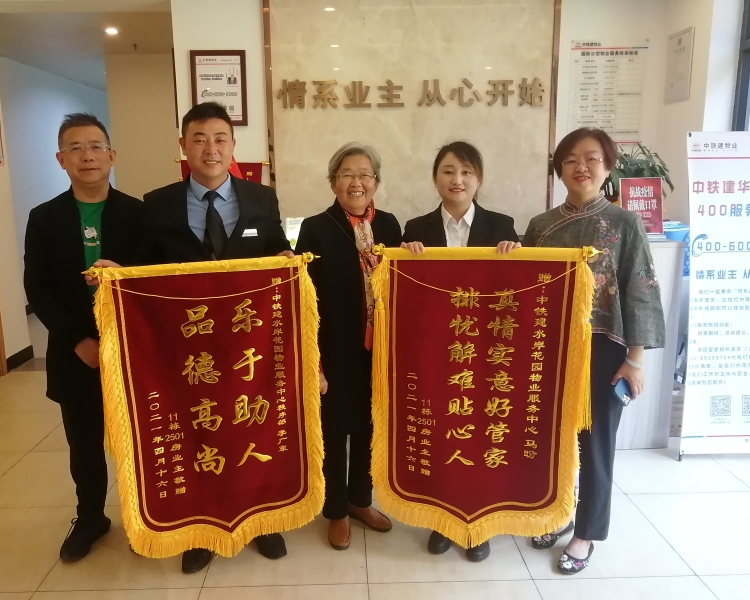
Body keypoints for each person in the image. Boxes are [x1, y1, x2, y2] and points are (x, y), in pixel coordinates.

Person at [91, 102, 293, 574]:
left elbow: (276, 250)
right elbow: (143, 267)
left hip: (246, 347)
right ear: (183, 146)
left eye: (220, 138)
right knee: (200, 432)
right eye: (199, 139)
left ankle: (261, 521)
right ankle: (203, 530)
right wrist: (119, 275)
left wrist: (288, 258)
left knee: (251, 427)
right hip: (188, 349)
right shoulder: (158, 202)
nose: (210, 148)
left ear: (233, 145)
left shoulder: (261, 199)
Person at [497, 127, 665, 574]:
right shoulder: (541, 225)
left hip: (604, 349)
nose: (581, 167)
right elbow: (523, 289)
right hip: (549, 348)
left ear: (608, 166)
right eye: (570, 159)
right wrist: (511, 255)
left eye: (591, 158)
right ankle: (557, 513)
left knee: (596, 444)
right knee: (552, 439)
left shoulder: (625, 224)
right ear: (560, 169)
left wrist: (635, 360)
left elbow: (642, 292)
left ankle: (586, 532)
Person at [24, 113, 144, 563]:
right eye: (75, 148)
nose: (87, 156)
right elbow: (38, 289)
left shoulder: (139, 214)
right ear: (61, 159)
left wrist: (124, 278)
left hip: (133, 349)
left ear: (112, 155)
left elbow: (154, 277)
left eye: (95, 146)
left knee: (136, 439)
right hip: (75, 352)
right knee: (84, 441)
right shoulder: (44, 218)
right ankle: (91, 517)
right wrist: (79, 341)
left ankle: (142, 518)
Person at [401, 140, 519, 562]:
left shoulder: (502, 226)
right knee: (441, 434)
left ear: (478, 178)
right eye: (448, 171)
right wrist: (405, 259)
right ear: (436, 178)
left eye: (466, 171)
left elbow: (518, 293)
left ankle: (478, 524)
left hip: (485, 354)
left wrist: (517, 258)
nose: (457, 179)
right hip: (436, 353)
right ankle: (442, 520)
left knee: (480, 436)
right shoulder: (415, 229)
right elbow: (403, 294)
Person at [295, 143, 400, 551]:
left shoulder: (389, 225)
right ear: (333, 182)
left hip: (378, 350)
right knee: (335, 429)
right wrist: (314, 360)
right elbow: (305, 298)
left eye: (365, 174)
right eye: (347, 174)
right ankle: (336, 509)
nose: (357, 182)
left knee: (371, 425)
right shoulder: (316, 228)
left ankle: (360, 500)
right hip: (334, 348)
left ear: (376, 182)